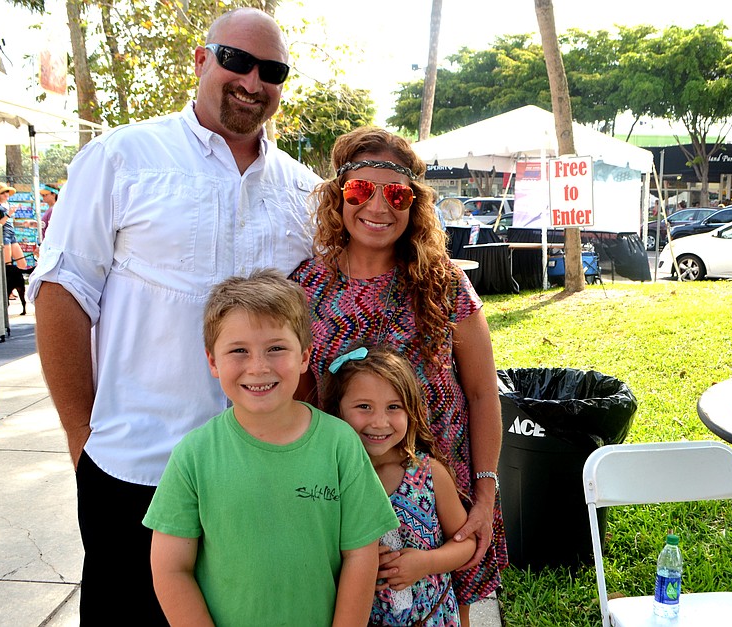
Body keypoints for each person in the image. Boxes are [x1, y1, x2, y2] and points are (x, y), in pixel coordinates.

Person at [28, 7, 321, 624]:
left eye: (272, 71)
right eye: (236, 60)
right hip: (138, 467)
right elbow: (62, 292)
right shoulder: (123, 156)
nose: (252, 81)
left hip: (265, 474)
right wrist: (84, 440)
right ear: (201, 60)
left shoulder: (304, 192)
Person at [290, 127, 507, 625]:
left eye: (396, 195)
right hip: (348, 489)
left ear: (414, 204)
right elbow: (301, 404)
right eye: (360, 190)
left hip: (444, 485)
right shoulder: (306, 287)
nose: (378, 206)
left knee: (448, 603)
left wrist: (485, 493)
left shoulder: (444, 282)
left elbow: (482, 393)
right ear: (337, 197)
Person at [143, 270, 398, 626]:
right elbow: (171, 569)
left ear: (304, 356)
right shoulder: (194, 455)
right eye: (239, 351)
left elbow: (361, 555)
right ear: (213, 361)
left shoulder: (340, 445)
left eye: (276, 348)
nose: (258, 367)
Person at [322, 344, 475, 626]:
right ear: (337, 410)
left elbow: (466, 542)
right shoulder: (329, 480)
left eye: (393, 407)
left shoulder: (429, 475)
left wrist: (425, 563)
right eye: (364, 407)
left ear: (411, 410)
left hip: (431, 618)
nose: (380, 422)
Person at [0, 181, 27, 270]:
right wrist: (8, 214)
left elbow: (11, 222)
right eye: (2, 192)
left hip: (12, 235)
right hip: (3, 235)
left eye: (6, 191)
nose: (5, 194)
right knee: (8, 264)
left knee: (22, 263)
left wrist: (23, 224)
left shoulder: (9, 205)